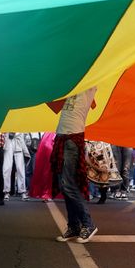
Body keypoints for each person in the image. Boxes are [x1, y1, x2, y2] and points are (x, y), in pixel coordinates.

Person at [52, 87, 98, 243]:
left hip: (72, 138)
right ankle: (74, 226)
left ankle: (88, 224)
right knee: (64, 184)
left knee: (68, 185)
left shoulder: (90, 84)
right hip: (62, 137)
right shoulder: (71, 86)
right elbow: (53, 103)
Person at [3, 132, 30, 201]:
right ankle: (6, 191)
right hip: (8, 143)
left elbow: (22, 139)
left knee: (20, 170)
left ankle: (23, 192)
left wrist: (26, 152)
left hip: (18, 144)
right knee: (7, 169)